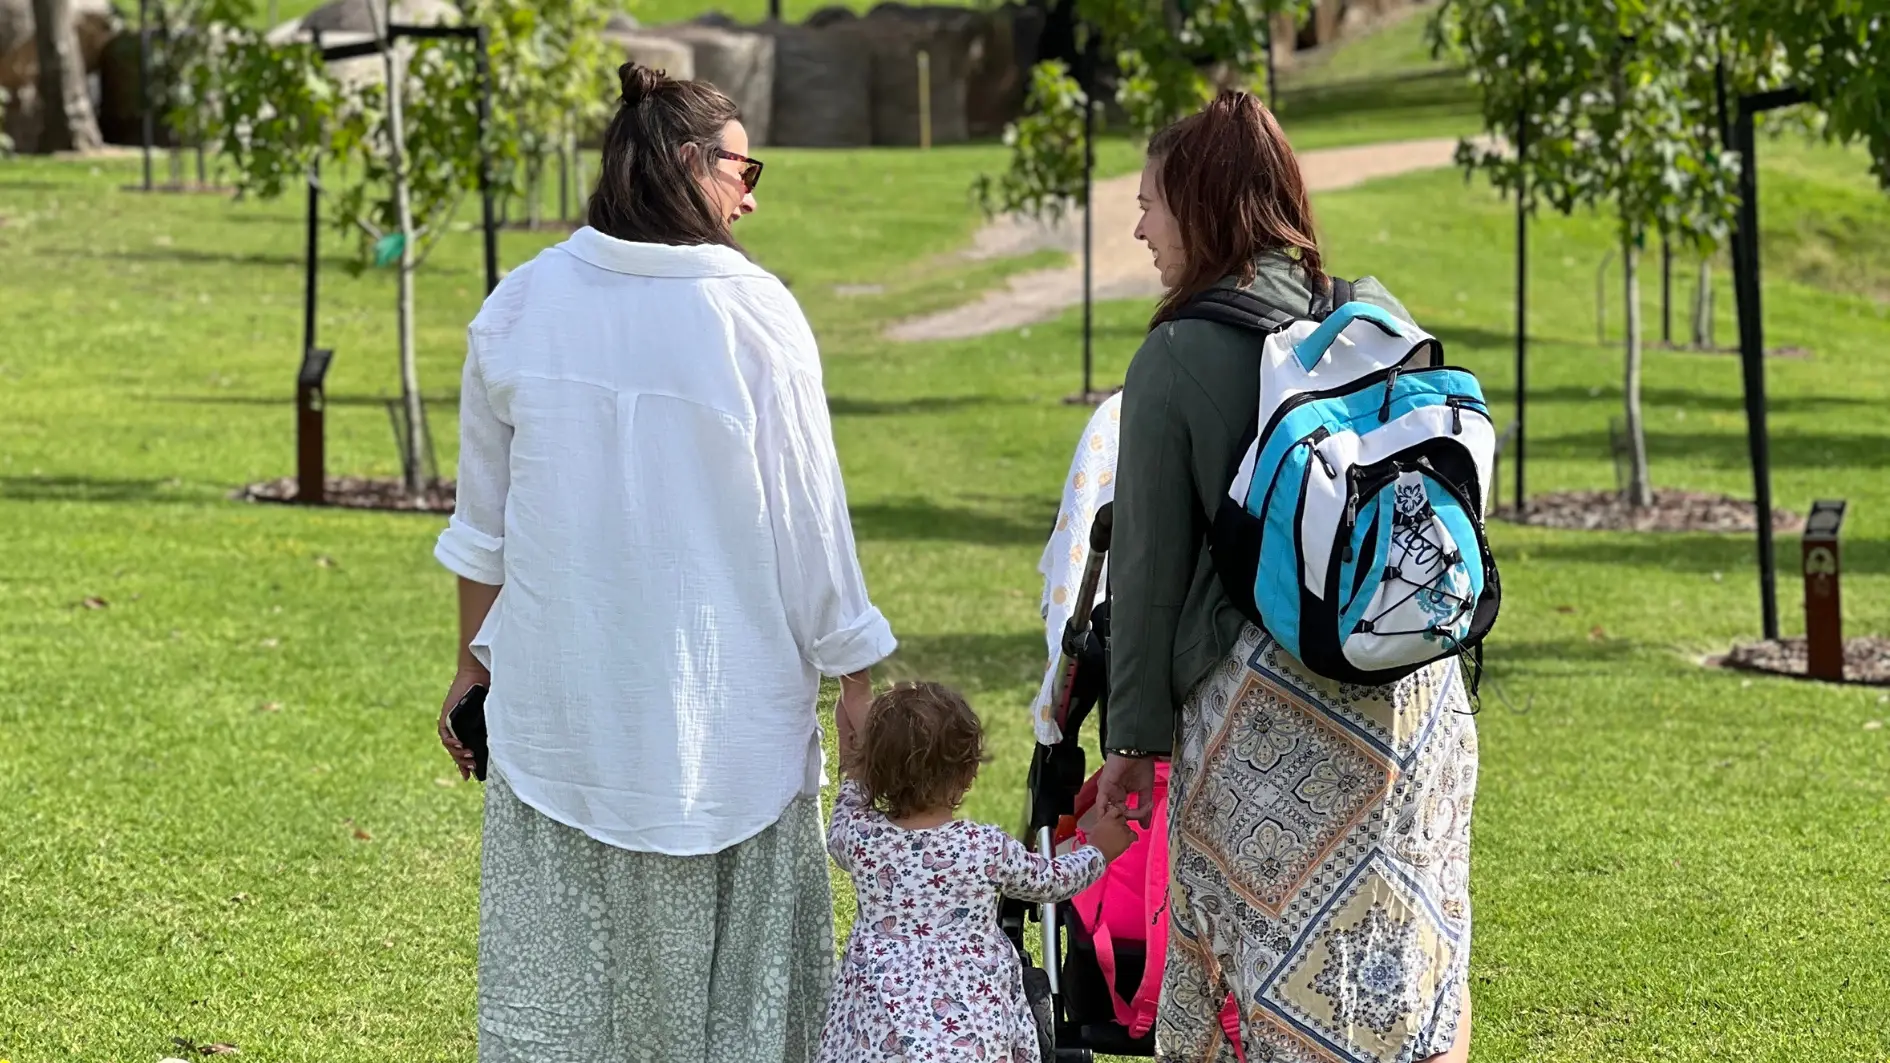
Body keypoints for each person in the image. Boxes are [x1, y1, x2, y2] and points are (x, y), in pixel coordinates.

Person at [433, 62, 896, 1063]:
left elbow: (483, 532)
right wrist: (856, 677)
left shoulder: (520, 304)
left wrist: (473, 671)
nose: (753, 192)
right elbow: (812, 527)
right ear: (689, 163)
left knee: (566, 1025)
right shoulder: (756, 313)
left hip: (562, 729)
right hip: (733, 734)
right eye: (743, 166)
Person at [1096, 92, 1478, 1063]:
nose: (1139, 225)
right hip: (1413, 706)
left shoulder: (1176, 356)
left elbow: (1143, 575)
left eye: (1152, 203)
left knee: (1255, 981)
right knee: (1414, 957)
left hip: (1267, 722)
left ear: (1205, 206)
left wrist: (1131, 744)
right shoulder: (1369, 316)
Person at [819, 682, 1135, 1063]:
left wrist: (848, 746)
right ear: (968, 773)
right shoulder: (982, 846)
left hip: (881, 1015)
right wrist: (1099, 850)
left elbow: (848, 800)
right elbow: (1051, 881)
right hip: (967, 1015)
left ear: (873, 769)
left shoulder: (860, 837)